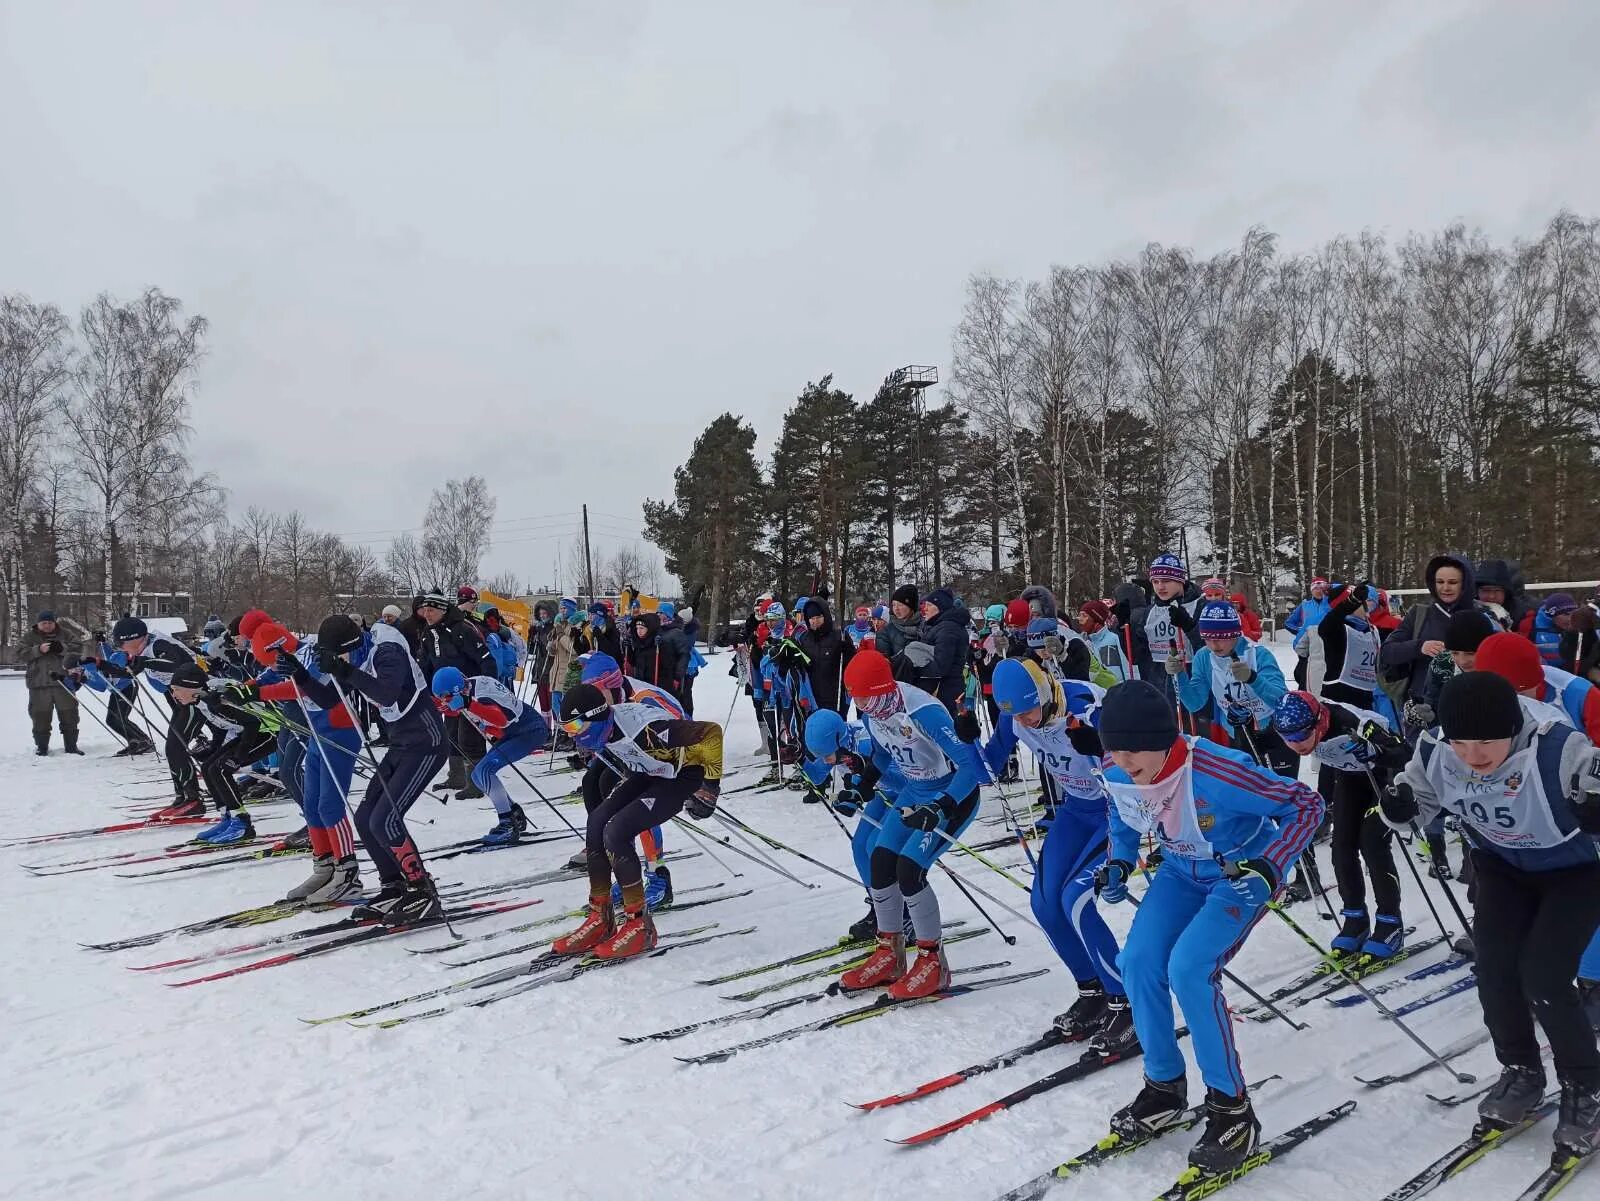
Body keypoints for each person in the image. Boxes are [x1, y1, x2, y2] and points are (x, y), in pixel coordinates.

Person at [1096, 680, 1324, 1172]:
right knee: (1136, 962)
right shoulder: (1119, 768)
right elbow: (1124, 813)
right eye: (1113, 747)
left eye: (1133, 748)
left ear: (1162, 739)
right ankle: (1164, 1088)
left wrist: (1271, 864)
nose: (1122, 759)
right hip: (1180, 872)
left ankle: (1232, 1107)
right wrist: (1118, 861)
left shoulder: (1218, 771)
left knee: (1189, 970)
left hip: (1236, 876)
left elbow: (1306, 805)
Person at [1381, 671, 1600, 1158]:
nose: (1474, 756)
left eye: (1486, 741)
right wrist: (1397, 806)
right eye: (1461, 741)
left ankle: (1589, 1085)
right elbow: (1416, 803)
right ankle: (1521, 1070)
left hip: (1573, 873)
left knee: (1544, 977)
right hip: (1501, 867)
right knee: (1495, 969)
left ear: (1512, 728)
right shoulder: (1437, 751)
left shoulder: (1559, 749)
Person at [983, 658, 1130, 1047]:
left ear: (1045, 695)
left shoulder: (1085, 704)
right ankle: (1092, 992)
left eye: (1030, 711)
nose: (1026, 722)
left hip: (1118, 811)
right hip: (1077, 810)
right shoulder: (1014, 716)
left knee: (1076, 900)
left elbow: (1138, 764)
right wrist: (965, 739)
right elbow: (988, 767)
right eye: (1016, 715)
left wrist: (1101, 747)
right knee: (1044, 904)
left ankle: (1126, 1003)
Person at [830, 648, 987, 999]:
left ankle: (934, 964)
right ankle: (891, 954)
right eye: (857, 700)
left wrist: (941, 806)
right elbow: (885, 754)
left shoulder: (924, 711)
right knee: (880, 862)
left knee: (909, 870)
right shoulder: (875, 710)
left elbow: (971, 769)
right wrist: (862, 787)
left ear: (882, 688)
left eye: (865, 699)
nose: (862, 707)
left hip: (953, 794)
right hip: (915, 790)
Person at [551, 683, 723, 959]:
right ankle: (601, 916)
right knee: (597, 822)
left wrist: (710, 788)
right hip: (650, 772)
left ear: (595, 718)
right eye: (567, 729)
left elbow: (712, 733)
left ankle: (639, 925)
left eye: (575, 728)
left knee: (617, 831)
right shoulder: (604, 729)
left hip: (681, 776)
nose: (574, 737)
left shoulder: (649, 733)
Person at [301, 612, 449, 925]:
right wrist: (302, 677)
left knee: (385, 819)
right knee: (366, 818)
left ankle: (422, 888)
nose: (340, 659)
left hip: (426, 741)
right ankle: (393, 885)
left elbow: (386, 692)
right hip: (401, 744)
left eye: (340, 653)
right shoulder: (356, 654)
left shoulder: (387, 650)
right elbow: (329, 698)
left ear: (351, 645)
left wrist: (343, 668)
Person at [1275, 690, 1409, 957]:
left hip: (1381, 778)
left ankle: (1390, 922)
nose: (1296, 744)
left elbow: (1404, 752)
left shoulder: (1352, 723)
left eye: (1301, 735)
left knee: (1372, 845)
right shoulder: (1294, 723)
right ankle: (1355, 920)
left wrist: (1375, 751)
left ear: (1318, 723)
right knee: (1342, 847)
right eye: (1288, 739)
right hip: (1349, 777)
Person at [251, 621, 364, 901]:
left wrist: (258, 693)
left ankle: (347, 872)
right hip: (317, 734)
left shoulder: (316, 656)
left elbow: (301, 690)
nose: (272, 665)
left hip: (341, 734)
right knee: (312, 805)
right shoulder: (285, 658)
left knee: (329, 806)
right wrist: (241, 689)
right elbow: (265, 676)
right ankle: (324, 866)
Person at [430, 666, 548, 845]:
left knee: (485, 771)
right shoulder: (470, 687)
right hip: (514, 731)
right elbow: (464, 711)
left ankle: (506, 823)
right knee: (478, 775)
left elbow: (500, 718)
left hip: (529, 730)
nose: (445, 701)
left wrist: (470, 705)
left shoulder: (478, 696)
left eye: (446, 697)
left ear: (455, 691)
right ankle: (512, 812)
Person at [103, 615, 205, 818]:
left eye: (122, 643)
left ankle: (193, 799)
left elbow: (173, 663)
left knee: (175, 747)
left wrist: (143, 661)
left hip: (199, 697)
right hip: (180, 698)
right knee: (174, 747)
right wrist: (97, 664)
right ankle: (184, 796)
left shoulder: (160, 644)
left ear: (135, 639)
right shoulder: (144, 649)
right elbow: (126, 672)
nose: (121, 648)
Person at [167, 662, 277, 846]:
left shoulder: (214, 699)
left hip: (271, 731)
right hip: (250, 732)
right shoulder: (201, 699)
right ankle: (227, 817)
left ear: (190, 686)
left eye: (176, 689)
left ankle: (242, 824)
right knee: (208, 767)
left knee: (221, 770)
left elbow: (252, 723)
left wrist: (238, 757)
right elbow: (221, 727)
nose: (174, 695)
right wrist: (213, 750)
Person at [1378, 553, 1481, 724]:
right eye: (1440, 582)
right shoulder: (1420, 613)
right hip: (1423, 709)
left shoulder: (1481, 617)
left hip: (1469, 705)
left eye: (1452, 582)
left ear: (1465, 584)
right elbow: (1387, 652)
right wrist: (1420, 647)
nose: (1445, 588)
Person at [416, 589, 497, 798]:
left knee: (469, 737)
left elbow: (486, 660)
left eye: (430, 610)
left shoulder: (462, 629)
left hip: (469, 691)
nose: (426, 614)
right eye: (424, 610)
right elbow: (425, 664)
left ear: (442, 610)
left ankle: (477, 781)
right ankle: (457, 775)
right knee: (450, 734)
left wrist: (487, 690)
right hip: (444, 694)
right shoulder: (428, 633)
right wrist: (425, 691)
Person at [21, 610, 80, 756]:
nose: (47, 626)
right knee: (40, 717)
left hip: (63, 683)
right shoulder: (29, 637)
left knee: (70, 716)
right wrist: (38, 650)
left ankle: (71, 747)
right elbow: (19, 654)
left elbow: (78, 648)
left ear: (54, 623)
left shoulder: (66, 634)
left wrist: (62, 648)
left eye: (50, 623)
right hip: (38, 684)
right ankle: (42, 748)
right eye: (44, 623)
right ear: (38, 624)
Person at [917, 588, 971, 714]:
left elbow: (941, 666)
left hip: (946, 691)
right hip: (945, 689)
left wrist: (915, 667)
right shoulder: (941, 626)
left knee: (949, 729)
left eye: (929, 605)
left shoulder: (948, 629)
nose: (925, 608)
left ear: (940, 607)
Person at [796, 597, 851, 715]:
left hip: (835, 697)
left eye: (818, 617)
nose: (815, 621)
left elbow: (850, 664)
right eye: (811, 618)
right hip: (812, 697)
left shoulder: (839, 636)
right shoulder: (803, 639)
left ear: (825, 616)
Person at [1283, 577, 1331, 688]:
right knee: (1303, 675)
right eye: (1315, 588)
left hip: (1328, 646)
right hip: (1308, 648)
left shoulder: (1331, 604)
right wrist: (1303, 632)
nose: (1319, 591)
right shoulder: (1305, 605)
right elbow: (1289, 623)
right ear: (1311, 590)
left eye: (1321, 588)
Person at [1520, 592, 1579, 668]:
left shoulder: (1579, 626)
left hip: (1570, 675)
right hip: (1544, 674)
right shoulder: (1531, 626)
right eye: (1566, 614)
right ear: (1552, 614)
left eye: (1574, 614)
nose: (1571, 619)